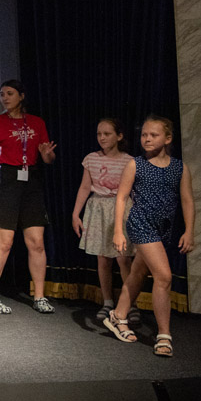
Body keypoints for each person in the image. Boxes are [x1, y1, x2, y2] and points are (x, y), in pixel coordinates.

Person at [104, 116, 195, 358]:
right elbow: (121, 197)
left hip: (163, 227)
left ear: (168, 138)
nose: (147, 139)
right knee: (163, 276)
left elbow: (187, 200)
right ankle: (164, 335)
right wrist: (118, 231)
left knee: (137, 273)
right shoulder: (136, 165)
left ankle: (118, 316)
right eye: (144, 134)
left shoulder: (180, 168)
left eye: (153, 135)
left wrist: (189, 230)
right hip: (141, 224)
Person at [0, 79, 57, 315]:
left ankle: (39, 296)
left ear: (21, 96)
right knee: (5, 242)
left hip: (31, 180)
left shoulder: (37, 122)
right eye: (2, 94)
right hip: (5, 179)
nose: (5, 98)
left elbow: (48, 159)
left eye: (10, 93)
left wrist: (47, 155)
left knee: (36, 242)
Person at [71, 118, 136, 321]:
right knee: (103, 258)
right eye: (99, 134)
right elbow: (85, 187)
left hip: (121, 208)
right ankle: (107, 301)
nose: (102, 138)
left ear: (119, 136)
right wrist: (75, 214)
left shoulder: (128, 161)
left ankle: (129, 303)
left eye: (107, 134)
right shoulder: (91, 159)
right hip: (98, 208)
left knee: (123, 258)